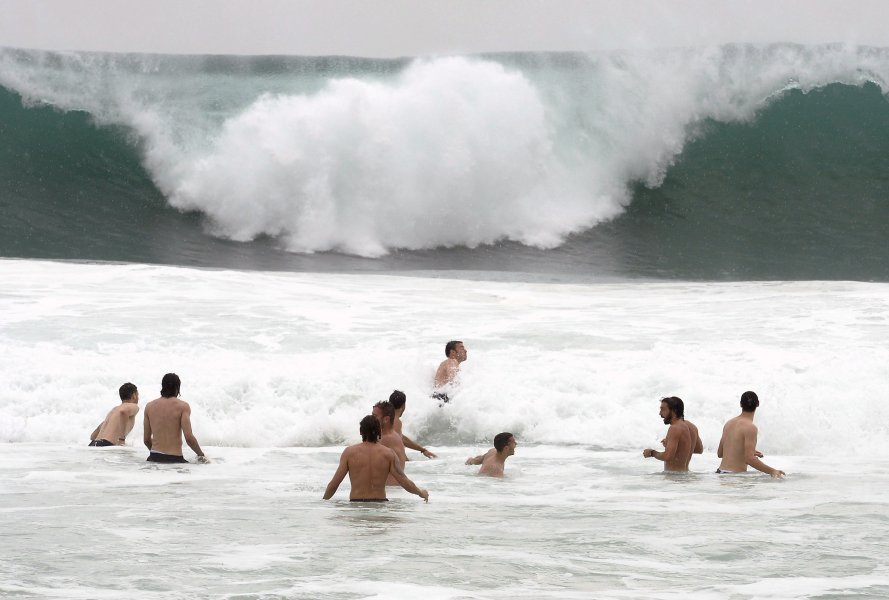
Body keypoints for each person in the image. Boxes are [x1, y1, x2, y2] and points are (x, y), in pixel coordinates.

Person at [323, 415, 429, 502]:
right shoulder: (388, 454)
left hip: (356, 505)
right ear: (379, 432)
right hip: (380, 505)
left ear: (361, 432)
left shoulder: (349, 453)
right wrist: (421, 493)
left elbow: (334, 484)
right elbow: (404, 481)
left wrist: (322, 502)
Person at [143, 373, 209, 464]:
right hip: (174, 459)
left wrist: (158, 454)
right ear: (177, 387)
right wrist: (201, 455)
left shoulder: (149, 406)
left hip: (153, 457)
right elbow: (189, 438)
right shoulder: (183, 406)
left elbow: (146, 439)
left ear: (162, 386)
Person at [716, 391, 784, 478]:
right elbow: (749, 459)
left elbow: (720, 453)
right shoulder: (751, 428)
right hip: (734, 478)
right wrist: (773, 471)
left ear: (741, 404)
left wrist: (745, 451)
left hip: (720, 474)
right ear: (758, 404)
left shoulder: (729, 423)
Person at [642, 396, 703, 472]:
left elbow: (668, 456)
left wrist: (652, 453)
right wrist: (674, 446)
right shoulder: (692, 427)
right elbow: (699, 450)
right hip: (684, 475)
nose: (660, 413)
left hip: (674, 478)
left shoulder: (675, 428)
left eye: (663, 409)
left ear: (674, 410)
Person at [89, 382, 140, 446]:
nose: (138, 398)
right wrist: (122, 439)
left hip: (93, 444)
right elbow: (124, 412)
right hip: (106, 445)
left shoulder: (114, 410)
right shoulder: (133, 406)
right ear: (134, 395)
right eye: (138, 395)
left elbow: (93, 436)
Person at [389, 390, 436, 459]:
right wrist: (405, 460)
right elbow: (394, 446)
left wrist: (422, 450)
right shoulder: (396, 421)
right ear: (403, 406)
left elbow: (401, 438)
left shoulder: (387, 420)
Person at [372, 400, 407, 485]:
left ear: (386, 419)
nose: (371, 419)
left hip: (390, 492)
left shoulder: (388, 439)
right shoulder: (388, 435)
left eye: (374, 416)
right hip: (391, 491)